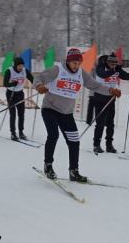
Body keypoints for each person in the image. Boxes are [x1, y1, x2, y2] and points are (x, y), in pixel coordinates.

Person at [33, 47, 122, 182]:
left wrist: (110, 90)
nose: (77, 66)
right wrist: (39, 86)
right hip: (50, 109)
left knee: (74, 141)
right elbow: (39, 78)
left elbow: (95, 86)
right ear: (68, 61)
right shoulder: (58, 70)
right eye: (74, 63)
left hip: (66, 113)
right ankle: (48, 166)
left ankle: (74, 171)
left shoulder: (81, 74)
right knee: (53, 135)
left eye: (79, 63)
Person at [92, 52, 129, 153]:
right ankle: (96, 145)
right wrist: (113, 70)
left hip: (111, 98)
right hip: (100, 98)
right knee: (100, 123)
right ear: (108, 62)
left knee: (110, 123)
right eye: (112, 64)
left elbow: (125, 76)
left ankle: (109, 145)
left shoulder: (116, 68)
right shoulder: (101, 67)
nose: (113, 66)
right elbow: (102, 75)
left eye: (115, 64)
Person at [3, 57, 34, 140]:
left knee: (21, 114)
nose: (21, 68)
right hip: (11, 94)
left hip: (20, 94)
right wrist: (12, 84)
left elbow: (32, 79)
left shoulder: (25, 71)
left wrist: (39, 86)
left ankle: (21, 132)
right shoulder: (9, 71)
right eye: (19, 66)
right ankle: (13, 133)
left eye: (22, 66)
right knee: (12, 114)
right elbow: (5, 83)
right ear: (15, 65)